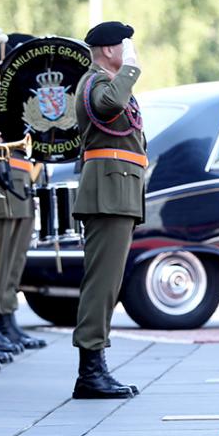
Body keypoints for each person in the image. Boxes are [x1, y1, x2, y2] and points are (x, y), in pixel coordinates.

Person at [71, 21, 145, 399]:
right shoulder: (96, 82)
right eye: (124, 47)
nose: (130, 52)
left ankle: (95, 366)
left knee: (108, 282)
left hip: (119, 191)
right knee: (101, 283)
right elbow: (109, 104)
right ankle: (89, 371)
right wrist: (130, 70)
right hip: (108, 191)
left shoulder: (107, 81)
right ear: (108, 50)